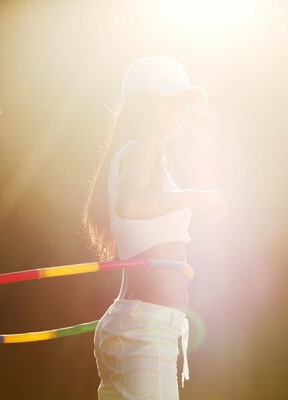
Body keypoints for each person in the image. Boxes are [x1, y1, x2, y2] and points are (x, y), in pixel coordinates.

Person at [82, 55, 227, 400]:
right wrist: (196, 196)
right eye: (165, 97)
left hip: (125, 324)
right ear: (139, 102)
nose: (176, 108)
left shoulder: (134, 153)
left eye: (181, 101)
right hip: (146, 330)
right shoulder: (140, 150)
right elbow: (130, 203)